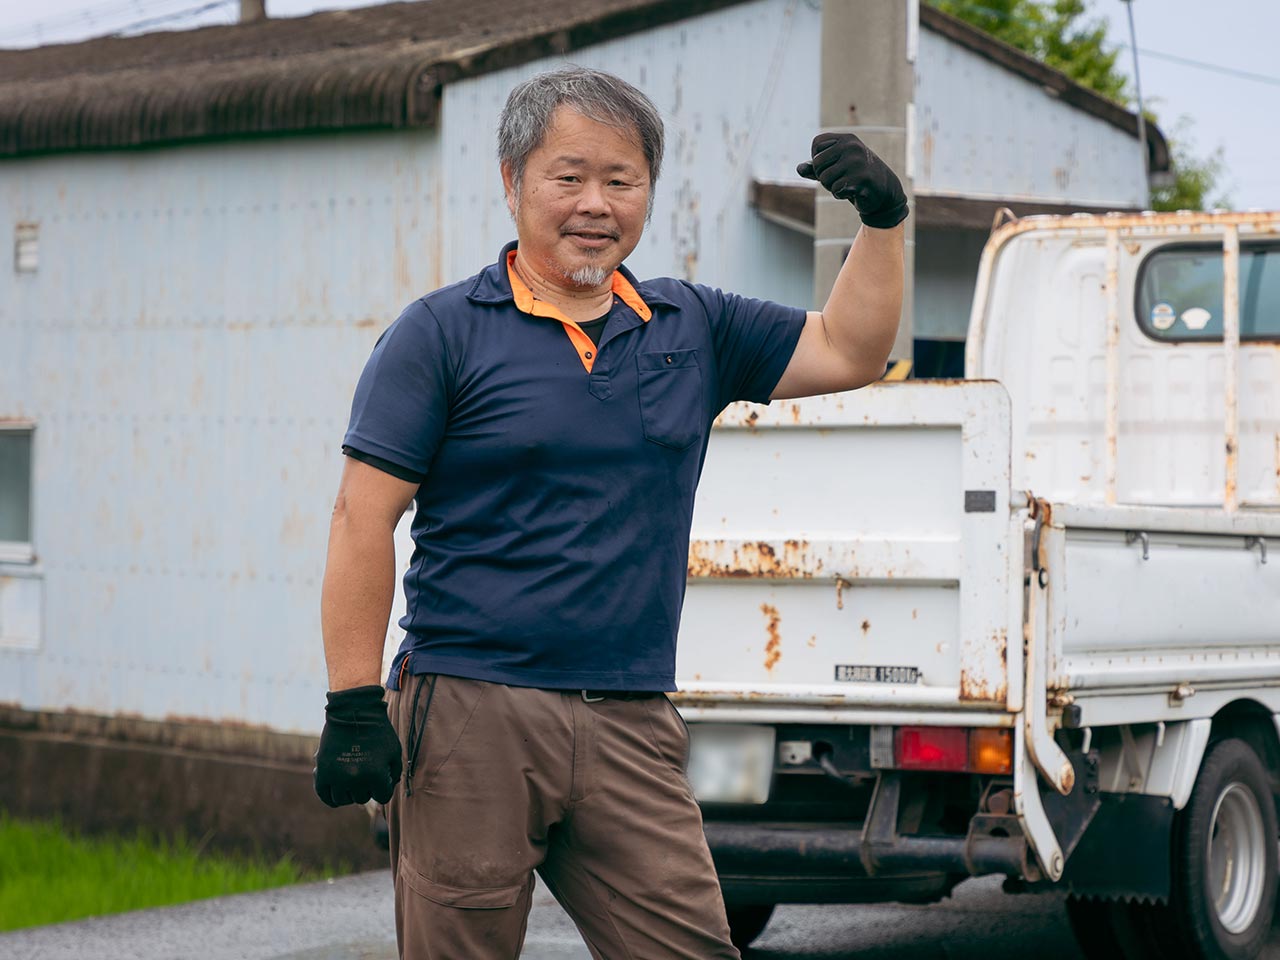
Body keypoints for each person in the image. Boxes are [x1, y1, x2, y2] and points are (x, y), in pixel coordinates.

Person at [313, 66, 906, 959]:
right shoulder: (440, 333)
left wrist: (884, 224)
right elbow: (362, 518)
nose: (596, 203)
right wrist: (353, 702)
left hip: (631, 714)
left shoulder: (691, 325)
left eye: (622, 180)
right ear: (513, 183)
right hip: (476, 707)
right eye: (569, 176)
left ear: (647, 194)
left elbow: (848, 348)